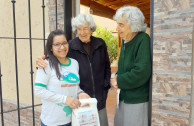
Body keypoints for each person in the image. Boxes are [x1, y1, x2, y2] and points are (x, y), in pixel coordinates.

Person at [36, 14, 111, 126]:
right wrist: (40, 63)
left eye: (85, 28)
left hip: (98, 98)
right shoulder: (70, 46)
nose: (82, 32)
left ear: (91, 28)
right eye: (79, 29)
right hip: (77, 103)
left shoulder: (100, 44)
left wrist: (105, 87)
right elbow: (54, 58)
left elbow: (106, 67)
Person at [34, 29, 90, 126]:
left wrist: (81, 93)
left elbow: (73, 87)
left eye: (64, 43)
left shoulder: (74, 63)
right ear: (51, 47)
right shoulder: (46, 64)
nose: (62, 47)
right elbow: (38, 90)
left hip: (73, 118)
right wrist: (65, 100)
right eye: (57, 44)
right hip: (52, 121)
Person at [111, 6, 152, 126]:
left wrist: (119, 80)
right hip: (123, 97)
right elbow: (124, 67)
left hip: (136, 100)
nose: (117, 28)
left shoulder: (143, 39)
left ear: (133, 25)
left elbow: (141, 72)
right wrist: (117, 75)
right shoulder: (125, 40)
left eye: (121, 25)